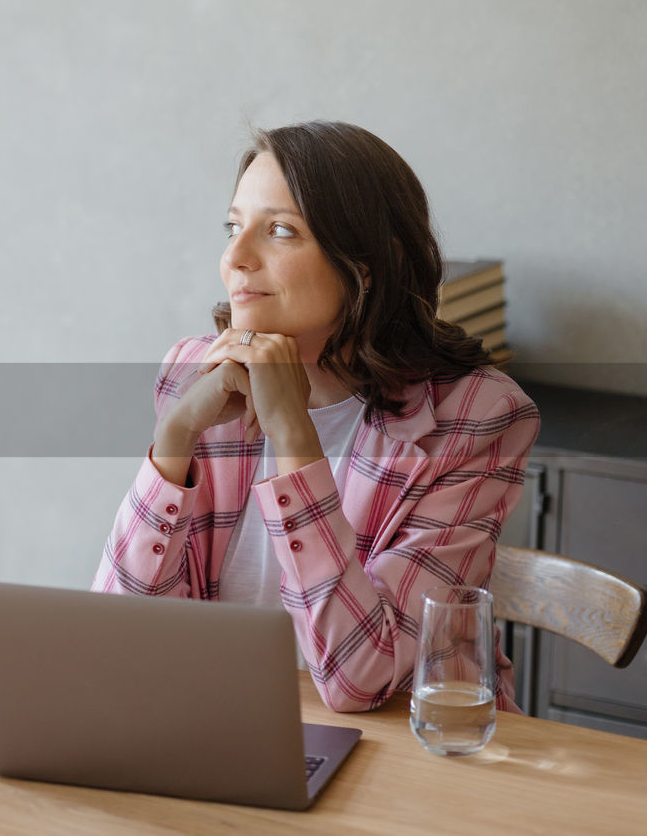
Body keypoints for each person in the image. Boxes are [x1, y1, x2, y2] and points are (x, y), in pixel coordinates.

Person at [92, 121, 540, 713]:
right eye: (233, 227)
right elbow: (115, 639)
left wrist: (294, 437)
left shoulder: (477, 416)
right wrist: (173, 438)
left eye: (280, 231)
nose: (235, 257)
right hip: (221, 725)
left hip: (410, 759)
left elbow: (363, 677)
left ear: (367, 264)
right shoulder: (193, 372)